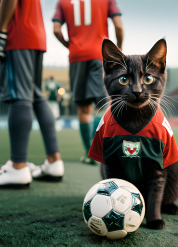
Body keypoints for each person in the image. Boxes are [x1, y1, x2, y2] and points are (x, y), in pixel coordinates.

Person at [0, 0, 64, 187]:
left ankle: (18, 166)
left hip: (17, 33)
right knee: (36, 96)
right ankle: (54, 161)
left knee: (19, 95)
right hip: (35, 34)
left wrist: (1, 31)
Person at [52, 0, 123, 164]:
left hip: (76, 57)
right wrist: (117, 50)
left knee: (83, 110)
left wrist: (70, 46)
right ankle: (98, 152)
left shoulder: (63, 1)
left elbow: (56, 29)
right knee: (102, 105)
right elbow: (118, 26)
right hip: (99, 55)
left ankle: (90, 154)